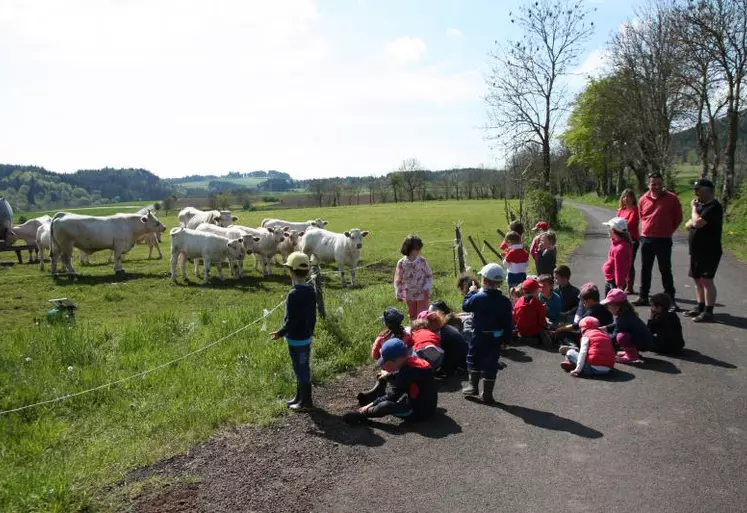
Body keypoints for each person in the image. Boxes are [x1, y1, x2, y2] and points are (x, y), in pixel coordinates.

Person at [344, 338, 437, 425]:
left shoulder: (406, 372)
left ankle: (362, 414)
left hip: (419, 412)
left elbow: (392, 396)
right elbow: (406, 376)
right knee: (401, 397)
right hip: (427, 405)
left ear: (397, 360)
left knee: (386, 405)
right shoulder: (413, 361)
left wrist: (369, 406)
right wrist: (389, 375)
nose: (386, 365)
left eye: (388, 363)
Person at [271, 252, 317, 411]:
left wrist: (280, 332)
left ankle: (307, 403)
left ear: (291, 271)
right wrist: (311, 331)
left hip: (296, 338)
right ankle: (299, 398)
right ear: (308, 271)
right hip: (306, 336)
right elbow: (313, 315)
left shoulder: (293, 294)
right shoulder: (311, 290)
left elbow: (291, 320)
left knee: (301, 369)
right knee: (300, 367)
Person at [461, 263, 514, 404]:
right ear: (500, 282)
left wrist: (471, 292)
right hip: (496, 336)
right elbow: (508, 321)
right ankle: (488, 393)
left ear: (483, 281)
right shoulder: (505, 301)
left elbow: (466, 306)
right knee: (492, 362)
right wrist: (507, 338)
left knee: (473, 357)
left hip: (479, 335)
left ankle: (473, 386)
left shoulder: (478, 297)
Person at [634, 172, 683, 310]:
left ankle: (670, 299)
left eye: (659, 184)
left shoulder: (672, 198)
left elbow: (678, 218)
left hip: (664, 240)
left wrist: (668, 231)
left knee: (665, 269)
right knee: (645, 269)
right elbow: (641, 217)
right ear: (648, 184)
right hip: (647, 239)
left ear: (663, 184)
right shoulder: (643, 199)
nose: (656, 187)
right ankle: (643, 296)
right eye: (653, 184)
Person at [684, 178, 724, 322]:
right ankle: (700, 306)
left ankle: (708, 311)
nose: (696, 193)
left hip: (709, 250)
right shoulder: (701, 205)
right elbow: (688, 224)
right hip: (696, 250)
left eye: (698, 190)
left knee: (706, 280)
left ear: (707, 191)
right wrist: (693, 221)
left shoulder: (714, 206)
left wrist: (693, 211)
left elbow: (697, 223)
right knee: (697, 280)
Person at [602, 288, 652, 364]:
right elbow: (615, 324)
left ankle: (632, 356)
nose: (607, 308)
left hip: (643, 343)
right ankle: (631, 352)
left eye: (608, 306)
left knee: (621, 337)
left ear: (617, 306)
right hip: (645, 341)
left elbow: (614, 338)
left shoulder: (623, 319)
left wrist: (603, 336)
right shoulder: (627, 314)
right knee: (623, 335)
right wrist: (604, 328)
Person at [394, 234, 433, 320]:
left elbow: (429, 275)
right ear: (410, 249)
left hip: (422, 292)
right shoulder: (402, 263)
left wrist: (427, 286)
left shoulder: (422, 261)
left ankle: (422, 332)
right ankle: (414, 331)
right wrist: (398, 292)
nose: (419, 251)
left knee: (422, 315)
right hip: (409, 293)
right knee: (412, 315)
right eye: (417, 249)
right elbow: (398, 279)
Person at [601, 217, 633, 296]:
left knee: (611, 304)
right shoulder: (618, 243)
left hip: (614, 282)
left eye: (609, 228)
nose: (607, 230)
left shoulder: (620, 249)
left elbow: (620, 268)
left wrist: (619, 286)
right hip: (611, 280)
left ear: (613, 231)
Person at [617, 188, 640, 293]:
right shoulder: (620, 211)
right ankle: (622, 283)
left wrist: (620, 225)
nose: (626, 199)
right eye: (624, 197)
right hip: (620, 240)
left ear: (633, 198)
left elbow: (629, 225)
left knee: (629, 263)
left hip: (632, 240)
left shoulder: (635, 210)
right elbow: (615, 224)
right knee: (621, 263)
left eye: (628, 196)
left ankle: (629, 286)